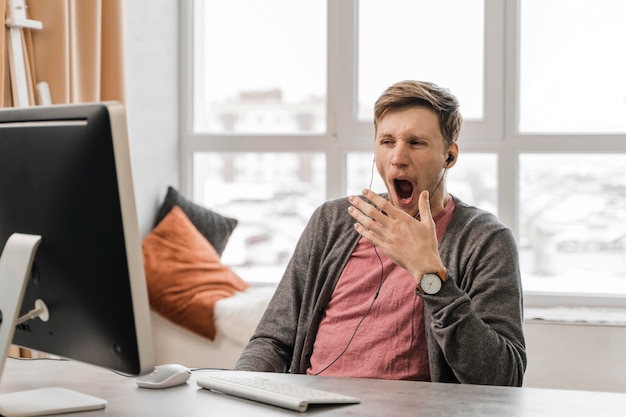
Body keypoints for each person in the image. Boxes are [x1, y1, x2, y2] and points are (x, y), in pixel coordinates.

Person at [235, 80, 526, 386]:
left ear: (449, 157)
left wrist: (430, 276)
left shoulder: (485, 240)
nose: (397, 158)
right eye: (387, 141)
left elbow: (503, 378)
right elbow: (272, 341)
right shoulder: (333, 222)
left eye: (415, 143)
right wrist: (237, 392)